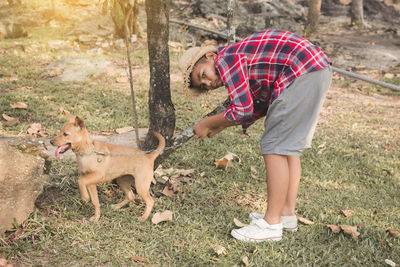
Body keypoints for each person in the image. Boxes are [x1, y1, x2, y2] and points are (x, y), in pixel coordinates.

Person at [178, 29, 332, 242]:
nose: (208, 83)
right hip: (314, 69)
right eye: (204, 86)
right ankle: (286, 214)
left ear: (210, 56)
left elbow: (243, 110)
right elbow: (259, 104)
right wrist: (223, 124)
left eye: (203, 75)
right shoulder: (236, 58)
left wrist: (208, 122)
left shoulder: (226, 60)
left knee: (274, 147)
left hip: (300, 71)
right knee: (288, 150)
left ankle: (270, 225)